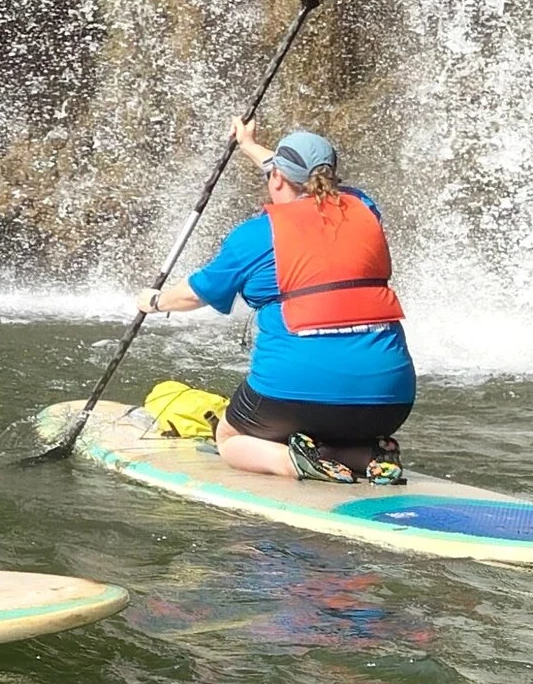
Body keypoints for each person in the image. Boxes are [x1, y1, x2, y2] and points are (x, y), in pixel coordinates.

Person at [134, 121, 416, 485]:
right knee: (328, 421)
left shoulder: (254, 236)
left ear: (278, 178)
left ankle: (295, 461)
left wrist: (154, 301)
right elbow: (298, 175)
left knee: (232, 437)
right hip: (390, 402)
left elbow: (194, 294)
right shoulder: (364, 207)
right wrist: (249, 145)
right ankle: (369, 455)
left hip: (292, 398)